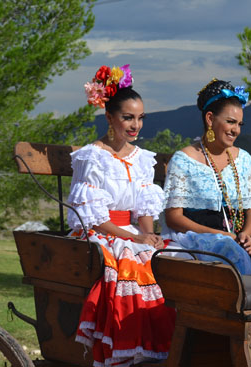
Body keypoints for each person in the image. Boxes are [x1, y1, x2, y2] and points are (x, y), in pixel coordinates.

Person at [67, 64, 175, 366]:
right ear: (109, 117)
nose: (135, 125)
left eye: (140, 118)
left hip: (129, 229)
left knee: (165, 258)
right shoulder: (93, 157)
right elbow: (95, 218)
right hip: (101, 231)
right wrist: (136, 237)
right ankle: (126, 346)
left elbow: (144, 208)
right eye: (128, 117)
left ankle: (160, 347)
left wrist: (149, 235)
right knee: (129, 262)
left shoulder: (142, 160)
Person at [161, 78, 251, 275]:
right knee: (231, 251)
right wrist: (220, 234)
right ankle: (246, 304)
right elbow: (173, 217)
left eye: (240, 124)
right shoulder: (184, 160)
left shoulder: (244, 159)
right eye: (231, 122)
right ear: (210, 119)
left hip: (237, 235)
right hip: (199, 236)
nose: (236, 130)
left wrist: (246, 236)